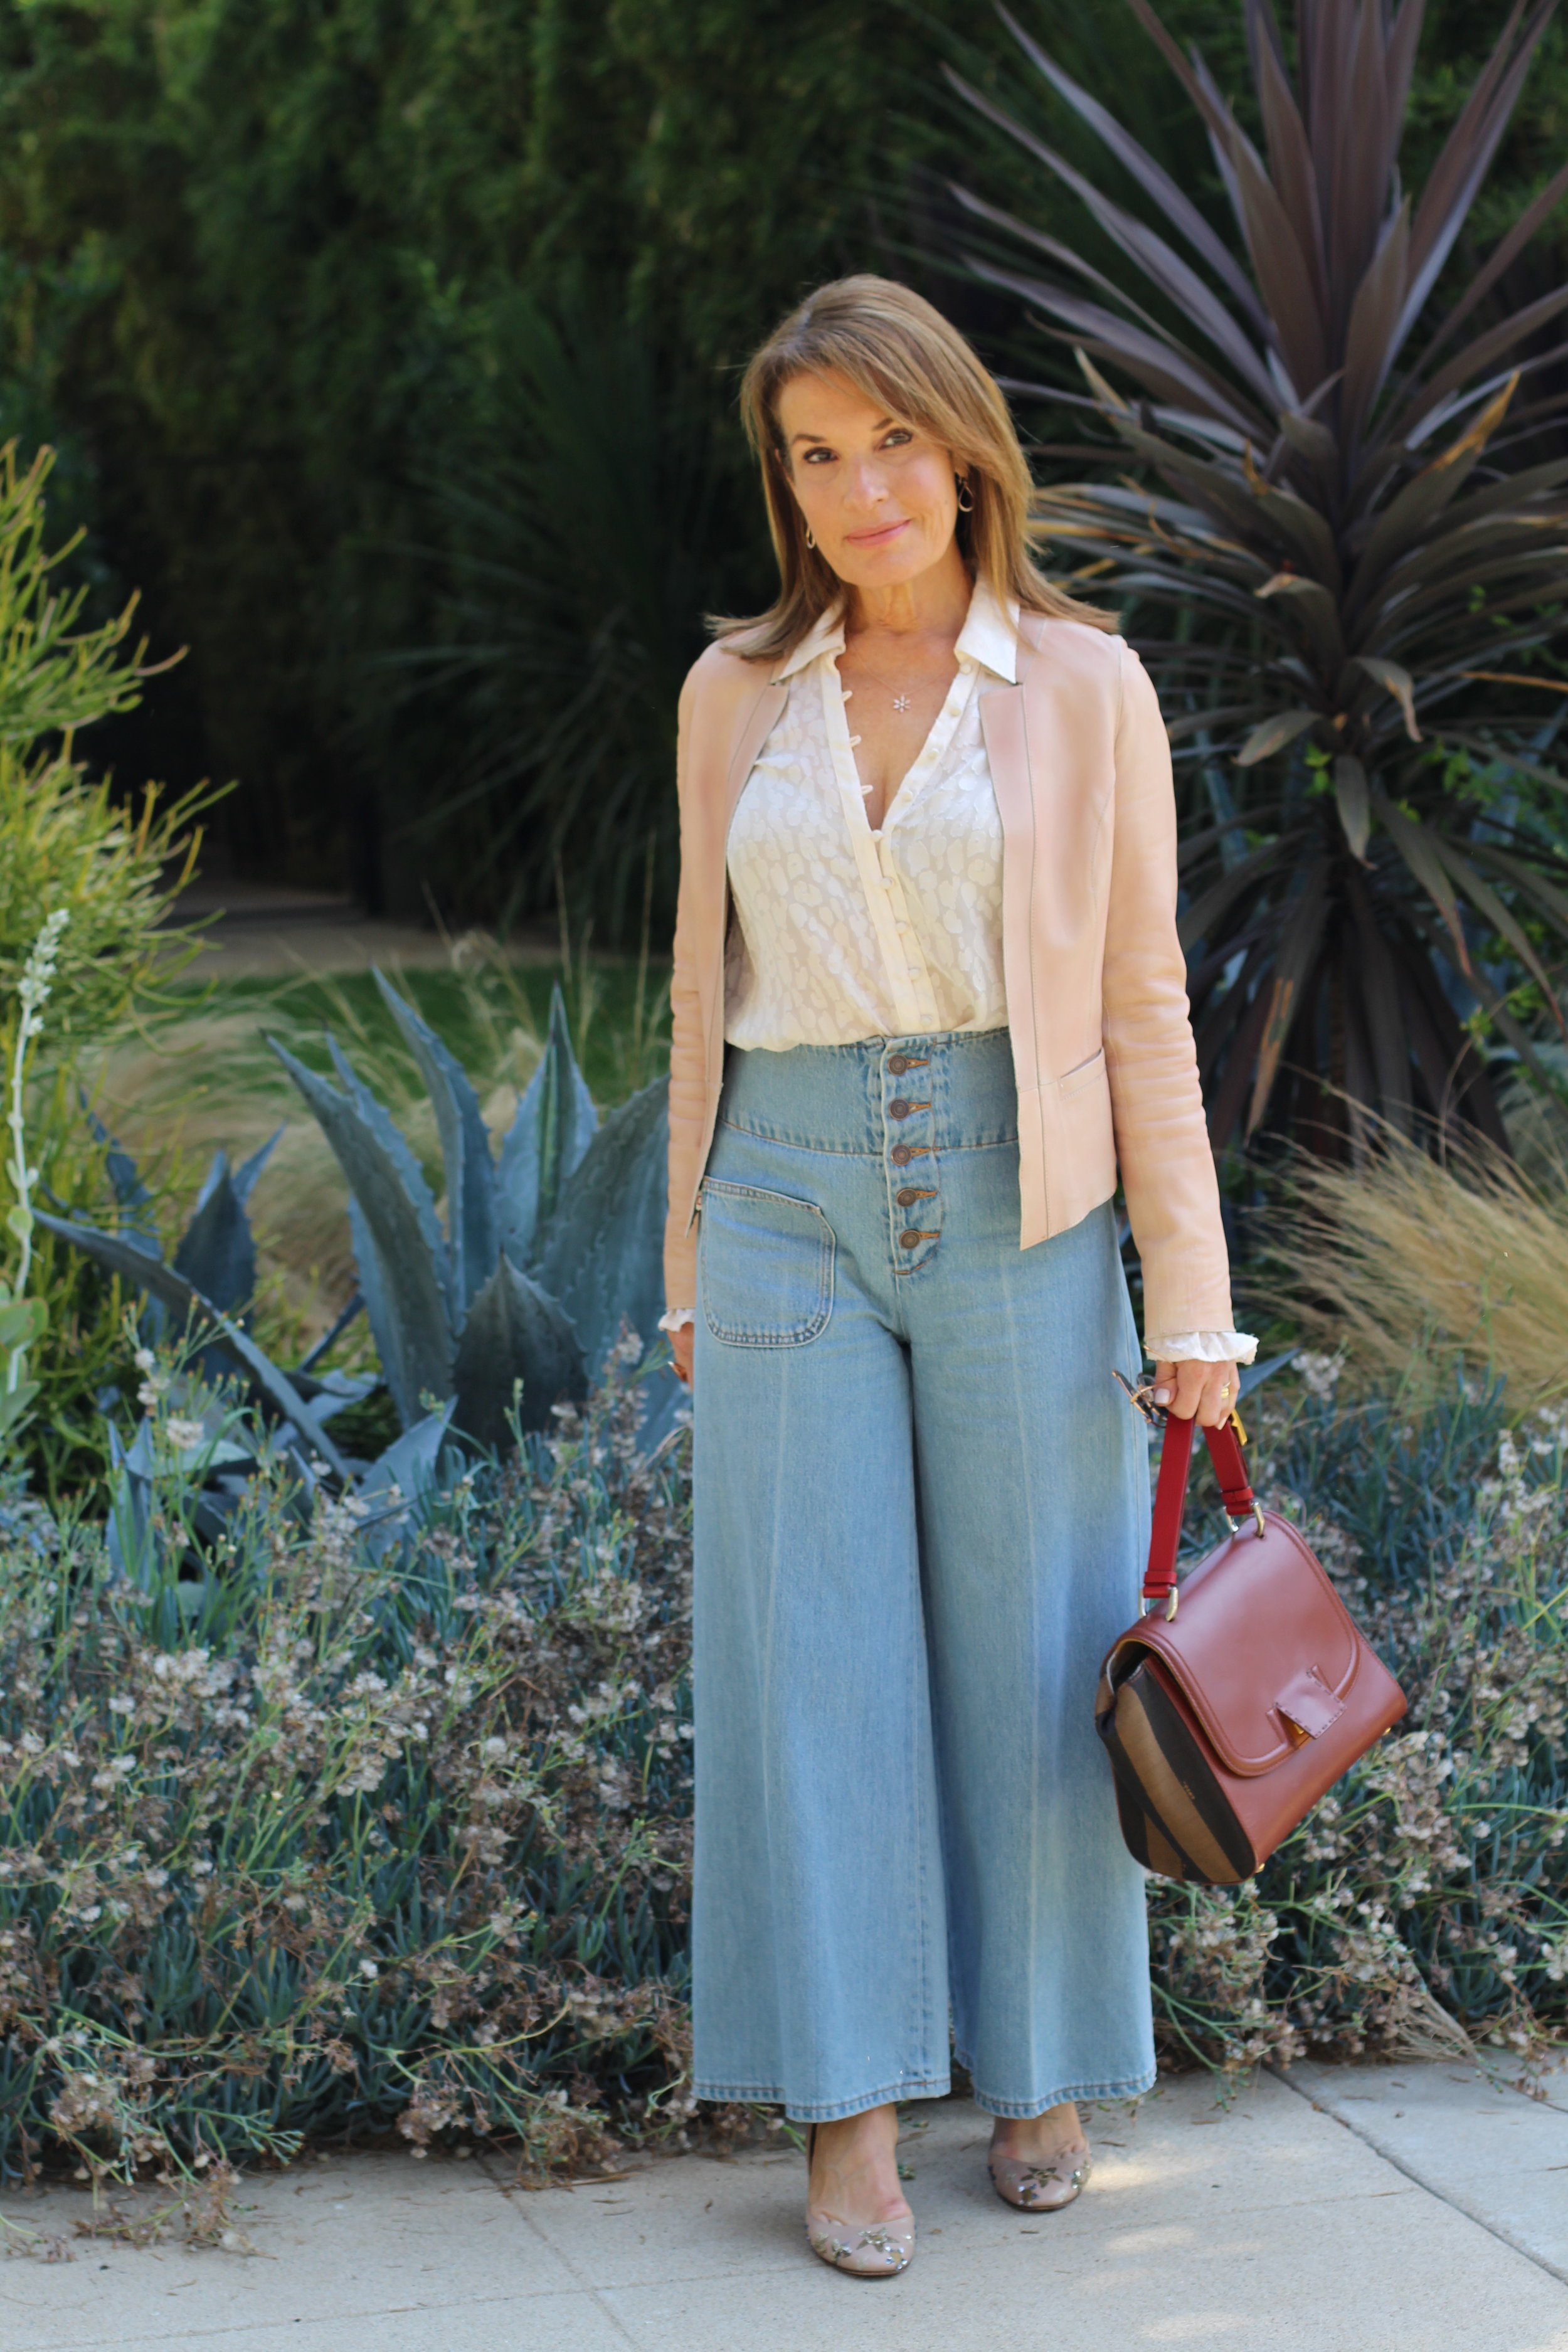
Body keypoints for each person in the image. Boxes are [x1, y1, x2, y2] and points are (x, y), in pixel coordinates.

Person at [658, 275, 1254, 2279]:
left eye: (888, 441)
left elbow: (1142, 1000)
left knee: (1032, 1644)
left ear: (962, 445)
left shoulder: (1082, 684)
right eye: (813, 456)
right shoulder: (732, 691)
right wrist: (684, 1252)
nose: (857, 489)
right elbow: (696, 997)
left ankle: (1044, 2067)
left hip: (1024, 1193)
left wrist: (1190, 1304)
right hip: (785, 1200)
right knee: (807, 1657)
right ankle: (843, 2114)